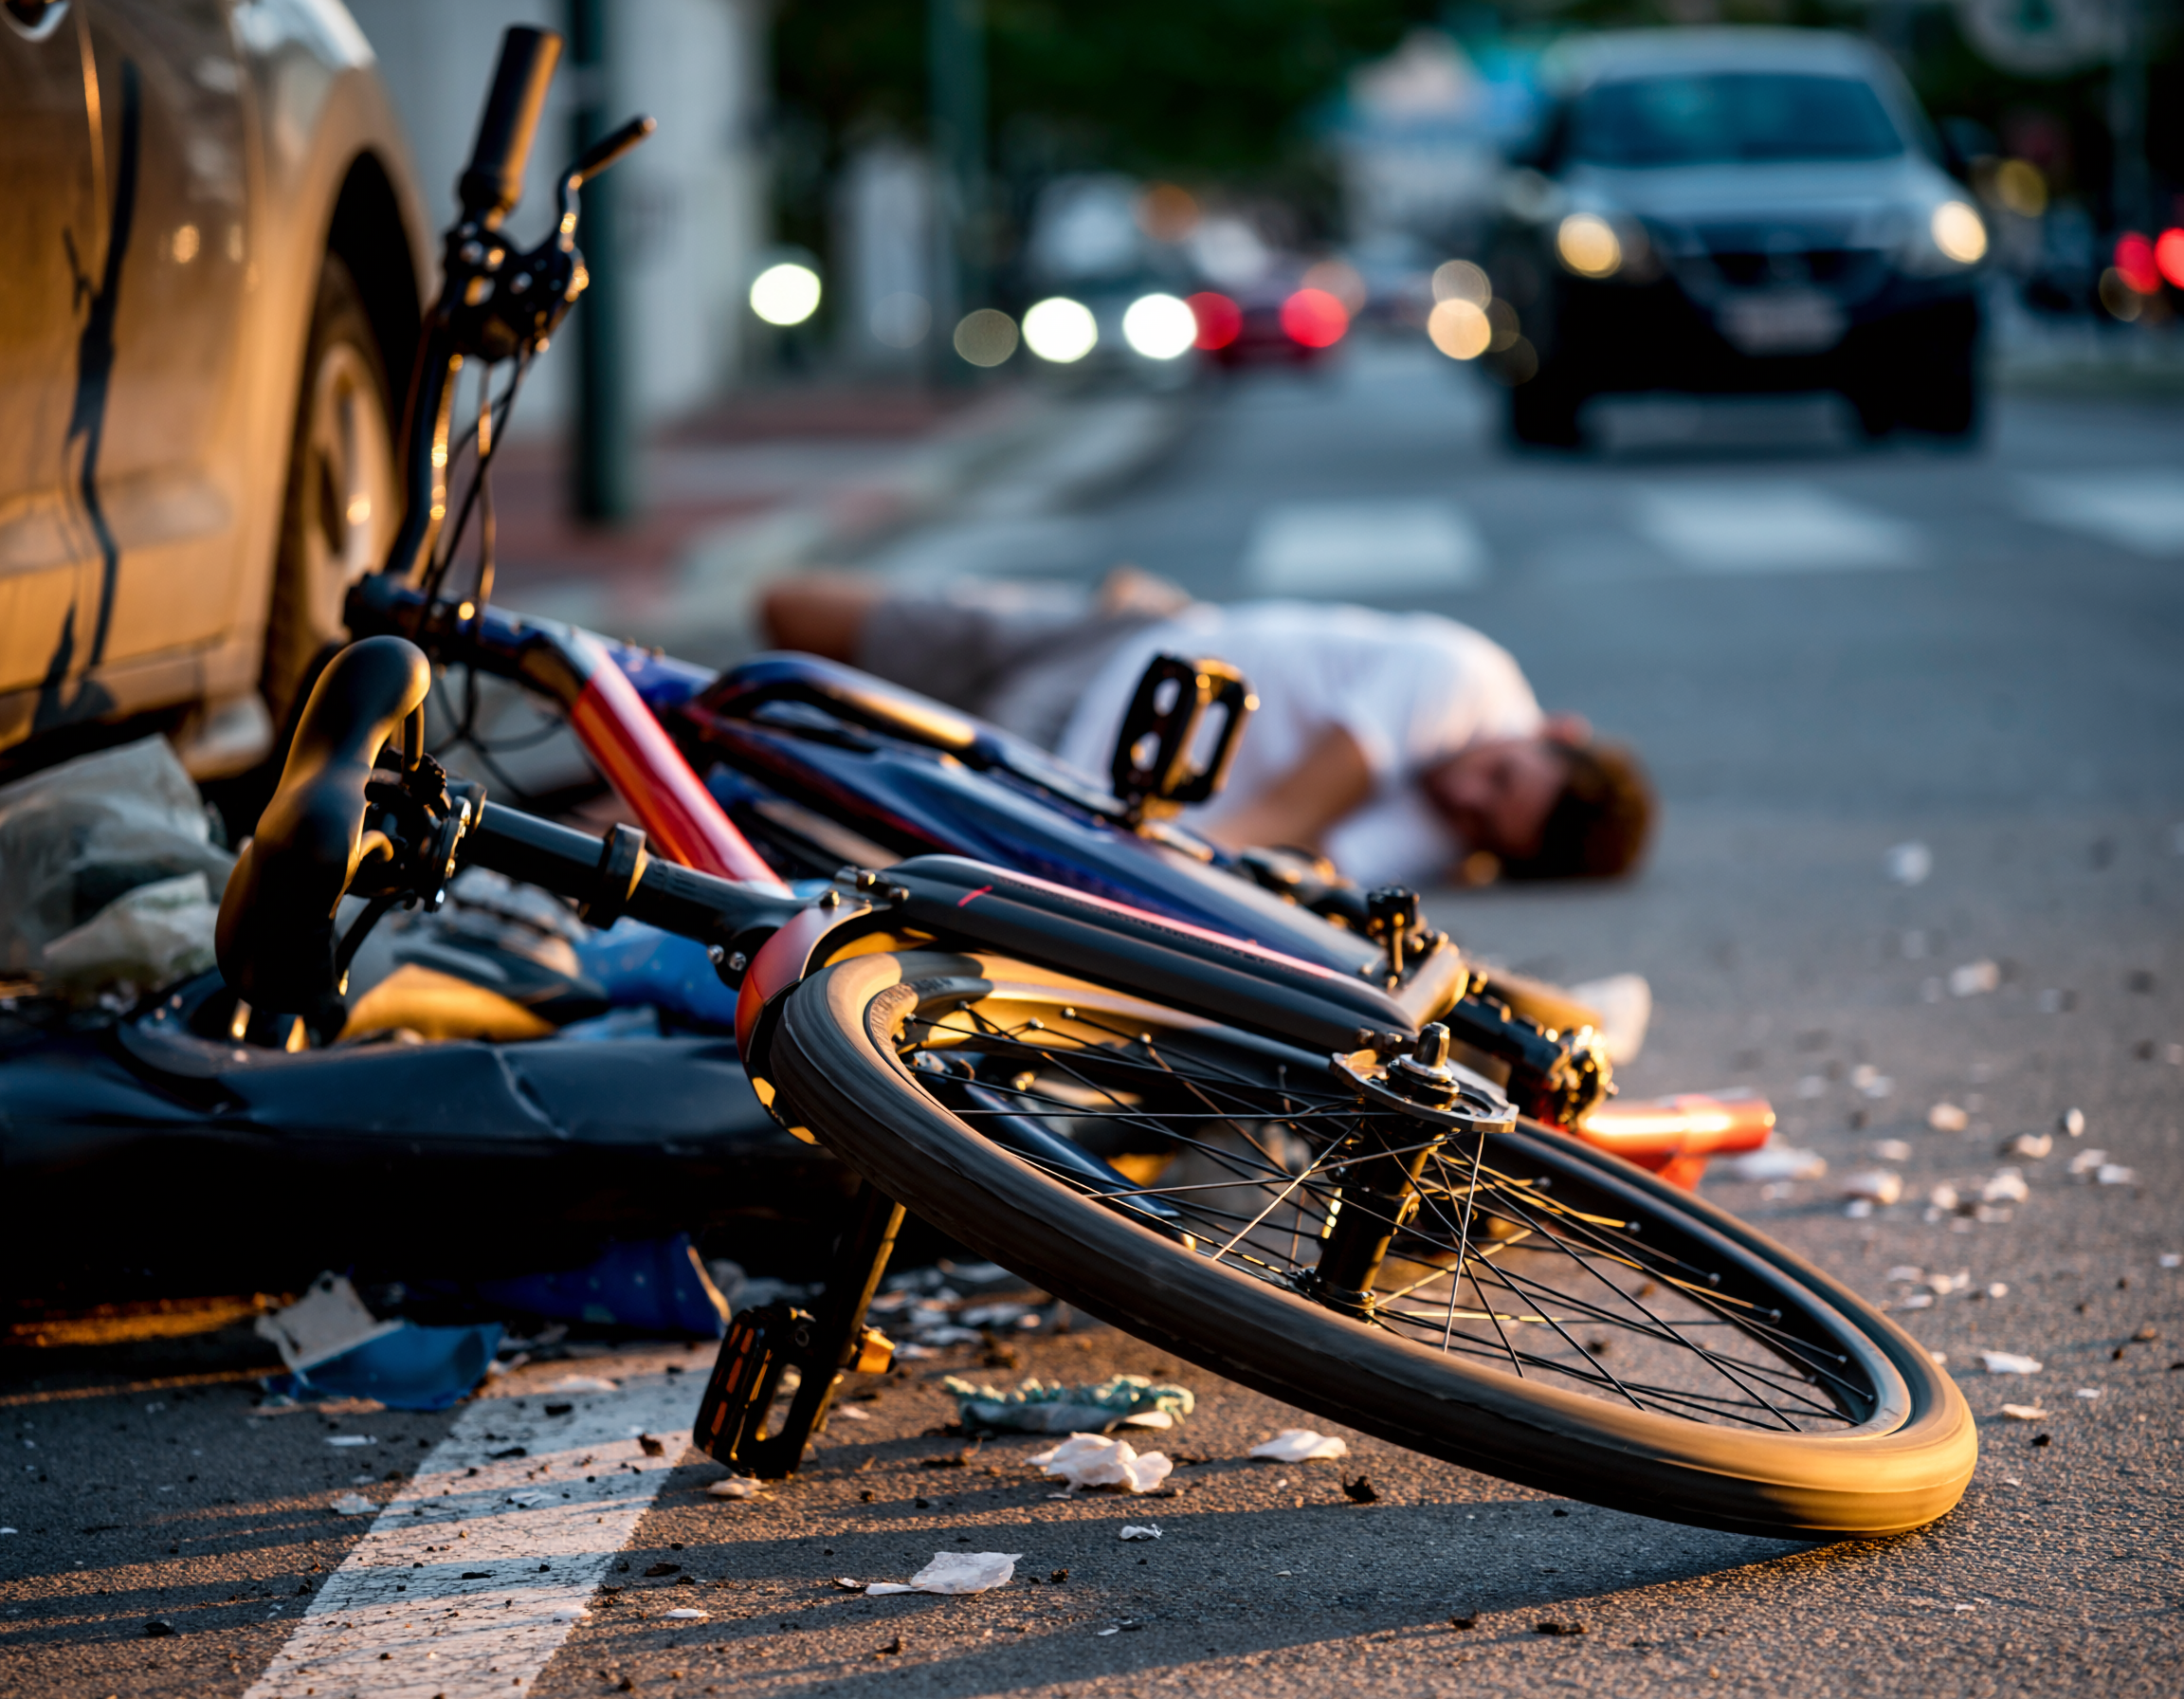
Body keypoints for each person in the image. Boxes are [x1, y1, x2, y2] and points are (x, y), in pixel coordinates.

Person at [759, 570, 1654, 888]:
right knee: (793, 613)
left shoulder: (1441, 836)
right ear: (1554, 727)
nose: (1463, 795)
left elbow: (1317, 871)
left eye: (1482, 822)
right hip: (1128, 640)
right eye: (1499, 777)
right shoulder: (1471, 680)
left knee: (789, 764)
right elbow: (1282, 823)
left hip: (1057, 761)